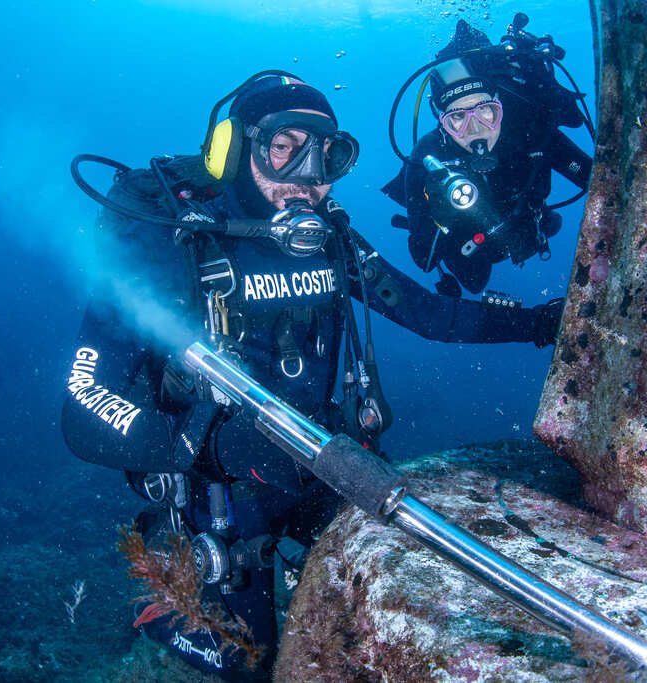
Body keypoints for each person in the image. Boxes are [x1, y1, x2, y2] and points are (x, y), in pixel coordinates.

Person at [62, 72, 563, 681]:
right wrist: (211, 445)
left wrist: (544, 323)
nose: (309, 175)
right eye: (284, 148)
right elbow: (84, 403)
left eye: (329, 154)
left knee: (401, 602)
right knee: (254, 665)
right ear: (235, 151)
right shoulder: (168, 247)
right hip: (217, 496)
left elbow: (431, 314)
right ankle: (184, 620)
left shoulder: (332, 241)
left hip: (322, 467)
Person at [383, 18, 594, 296]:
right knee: (474, 281)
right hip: (473, 247)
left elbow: (595, 179)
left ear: (501, 107)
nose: (476, 129)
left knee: (551, 224)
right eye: (457, 117)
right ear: (441, 123)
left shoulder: (528, 130)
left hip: (528, 224)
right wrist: (440, 214)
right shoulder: (428, 155)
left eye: (486, 111)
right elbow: (425, 260)